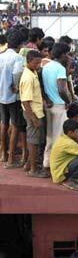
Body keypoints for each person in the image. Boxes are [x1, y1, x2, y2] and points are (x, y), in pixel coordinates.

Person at [42, 43, 72, 173]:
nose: (69, 57)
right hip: (59, 105)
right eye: (68, 54)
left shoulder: (46, 66)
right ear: (63, 55)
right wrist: (68, 100)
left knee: (50, 136)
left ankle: (47, 164)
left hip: (49, 105)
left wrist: (47, 98)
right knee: (59, 137)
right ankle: (57, 168)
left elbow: (42, 86)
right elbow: (62, 89)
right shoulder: (60, 69)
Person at [19, 50, 48, 177]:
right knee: (33, 141)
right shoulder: (28, 77)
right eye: (36, 63)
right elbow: (25, 101)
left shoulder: (33, 72)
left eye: (40, 62)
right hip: (33, 113)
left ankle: (30, 165)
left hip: (37, 111)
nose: (39, 65)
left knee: (35, 140)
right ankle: (33, 170)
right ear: (29, 61)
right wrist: (34, 118)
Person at [0, 29, 24, 168]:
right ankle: (10, 159)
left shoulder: (1, 56)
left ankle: (3, 154)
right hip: (12, 96)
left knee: (4, 123)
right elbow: (17, 73)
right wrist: (15, 86)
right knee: (15, 125)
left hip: (1, 94)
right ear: (20, 44)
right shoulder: (17, 58)